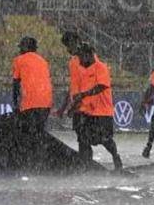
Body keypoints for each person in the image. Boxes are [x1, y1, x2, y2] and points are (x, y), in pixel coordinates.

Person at [56, 43, 123, 172]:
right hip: (87, 112)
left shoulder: (101, 67)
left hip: (103, 111)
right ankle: (86, 164)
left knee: (104, 139)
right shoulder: (83, 71)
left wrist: (84, 94)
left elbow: (101, 86)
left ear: (88, 56)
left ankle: (116, 157)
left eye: (81, 57)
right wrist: (72, 108)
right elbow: (79, 95)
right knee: (83, 139)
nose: (79, 61)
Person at [10, 36, 53, 134]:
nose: (20, 50)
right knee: (39, 132)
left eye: (21, 47)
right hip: (46, 102)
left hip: (30, 103)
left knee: (26, 133)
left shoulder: (19, 60)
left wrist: (16, 103)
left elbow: (16, 84)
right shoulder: (43, 61)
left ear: (26, 47)